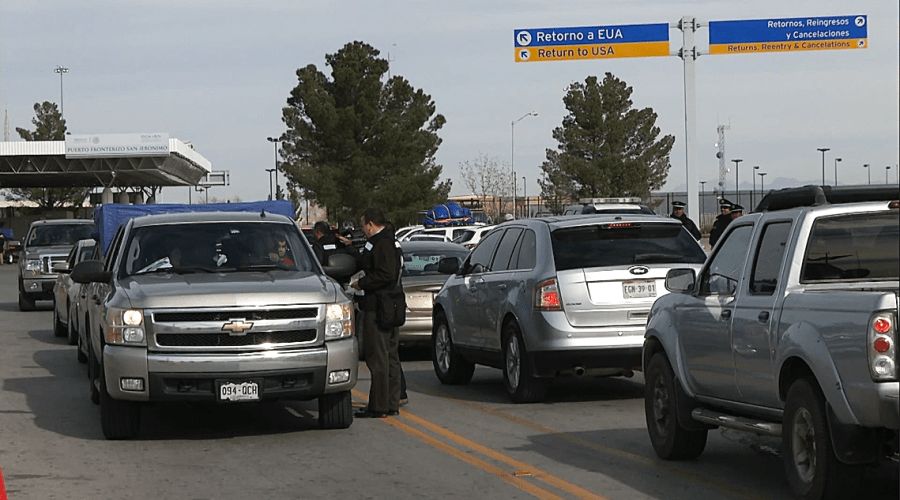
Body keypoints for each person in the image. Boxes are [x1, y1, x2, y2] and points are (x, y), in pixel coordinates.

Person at [350, 207, 403, 418]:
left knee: (378, 358)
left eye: (363, 226)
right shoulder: (391, 241)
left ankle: (379, 406)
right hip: (391, 305)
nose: (363, 231)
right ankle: (390, 402)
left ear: (371, 224)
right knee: (390, 356)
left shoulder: (382, 244)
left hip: (379, 307)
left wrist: (360, 283)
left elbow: (385, 274)